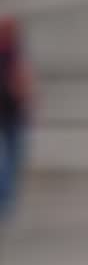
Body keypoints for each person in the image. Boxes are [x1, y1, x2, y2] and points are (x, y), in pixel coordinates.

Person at [0, 16, 33, 221]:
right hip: (11, 111)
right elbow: (22, 81)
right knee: (12, 158)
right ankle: (5, 200)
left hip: (12, 111)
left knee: (12, 158)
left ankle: (6, 200)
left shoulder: (14, 53)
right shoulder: (12, 54)